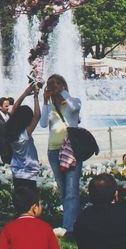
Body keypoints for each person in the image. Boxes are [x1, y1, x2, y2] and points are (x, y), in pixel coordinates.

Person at [39, 73, 83, 232]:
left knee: (71, 188)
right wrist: (45, 100)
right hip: (54, 151)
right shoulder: (50, 108)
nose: (54, 86)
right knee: (62, 187)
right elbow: (43, 123)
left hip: (71, 150)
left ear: (64, 86)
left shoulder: (74, 102)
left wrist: (62, 91)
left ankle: (68, 227)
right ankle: (72, 218)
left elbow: (73, 107)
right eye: (51, 84)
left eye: (58, 83)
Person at [5, 79, 42, 203]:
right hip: (29, 171)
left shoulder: (10, 131)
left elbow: (15, 108)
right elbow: (37, 116)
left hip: (17, 170)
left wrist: (26, 92)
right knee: (30, 201)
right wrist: (36, 97)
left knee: (20, 200)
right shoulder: (25, 134)